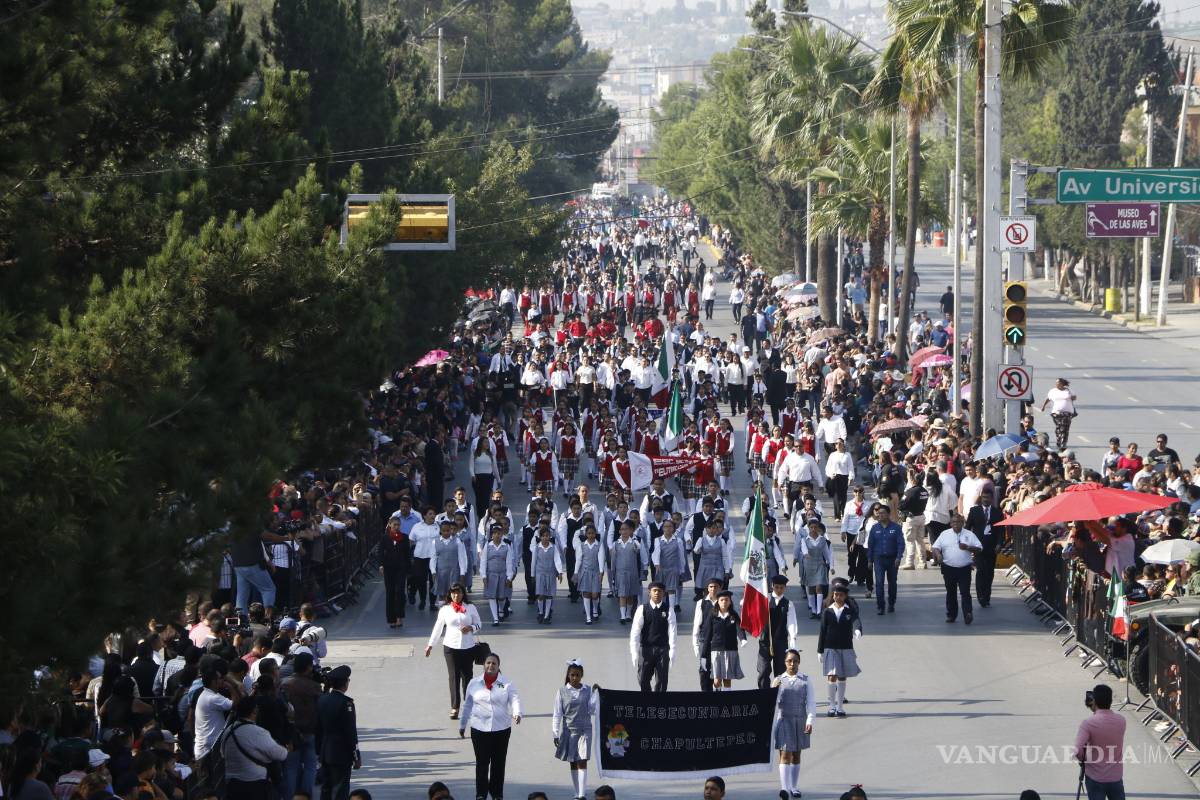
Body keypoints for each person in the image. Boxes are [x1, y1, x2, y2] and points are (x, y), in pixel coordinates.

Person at [460, 653, 522, 800]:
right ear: (484, 665)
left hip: (501, 730)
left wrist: (517, 713)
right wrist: (462, 724)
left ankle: (496, 793)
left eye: (494, 663)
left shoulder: (506, 683)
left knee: (498, 764)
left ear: (498, 666)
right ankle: (481, 794)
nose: (491, 666)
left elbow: (515, 699)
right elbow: (467, 705)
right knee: (482, 763)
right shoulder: (474, 683)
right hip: (479, 729)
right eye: (488, 663)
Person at [425, 583, 482, 718]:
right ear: (450, 595)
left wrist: (471, 628)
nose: (456, 595)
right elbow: (438, 628)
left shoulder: (470, 607)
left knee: (467, 677)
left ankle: (468, 705)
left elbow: (479, 624)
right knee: (454, 677)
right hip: (451, 647)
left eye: (459, 593)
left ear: (463, 594)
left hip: (468, 647)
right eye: (453, 593)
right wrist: (430, 645)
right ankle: (455, 707)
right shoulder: (445, 609)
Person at [220, 695, 289, 800]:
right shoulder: (258, 732)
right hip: (255, 785)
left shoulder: (228, 731)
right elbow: (281, 754)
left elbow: (223, 753)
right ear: (254, 711)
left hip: (232, 784)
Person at [552, 660, 600, 800]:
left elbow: (591, 709)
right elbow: (557, 713)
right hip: (569, 730)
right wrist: (555, 733)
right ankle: (576, 791)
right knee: (572, 761)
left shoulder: (587, 690)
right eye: (572, 675)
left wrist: (595, 694)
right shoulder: (561, 691)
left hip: (585, 730)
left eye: (577, 675)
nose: (574, 678)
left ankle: (582, 794)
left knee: (582, 760)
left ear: (582, 675)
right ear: (568, 675)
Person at [772, 649, 815, 800]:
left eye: (795, 661)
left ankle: (793, 787)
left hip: (800, 720)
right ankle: (784, 788)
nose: (792, 664)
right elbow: (773, 704)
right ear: (785, 662)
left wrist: (809, 721)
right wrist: (773, 689)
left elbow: (810, 702)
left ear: (799, 662)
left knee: (796, 754)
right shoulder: (778, 680)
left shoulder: (805, 679)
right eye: (789, 661)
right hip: (783, 720)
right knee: (785, 754)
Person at [816, 581, 862, 717]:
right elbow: (822, 631)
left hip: (846, 647)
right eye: (835, 594)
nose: (837, 597)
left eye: (840, 595)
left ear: (845, 596)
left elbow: (856, 621)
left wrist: (858, 630)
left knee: (842, 676)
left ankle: (840, 707)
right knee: (831, 675)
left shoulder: (849, 611)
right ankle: (831, 706)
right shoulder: (827, 611)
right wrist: (820, 650)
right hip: (830, 647)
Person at [1074, 684, 1126, 800]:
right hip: (1115, 777)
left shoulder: (1088, 723)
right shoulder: (1121, 721)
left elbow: (1077, 750)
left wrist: (1083, 759)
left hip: (1095, 777)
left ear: (1094, 701)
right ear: (1111, 701)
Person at [316, 666, 360, 800]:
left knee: (326, 789)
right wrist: (356, 756)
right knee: (340, 790)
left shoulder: (322, 700)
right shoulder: (346, 704)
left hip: (325, 752)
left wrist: (319, 751)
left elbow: (318, 728)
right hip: (341, 754)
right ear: (345, 683)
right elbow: (351, 733)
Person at [281, 653, 321, 800]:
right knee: (310, 766)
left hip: (291, 732)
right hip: (310, 731)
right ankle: (306, 796)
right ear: (309, 667)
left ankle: (291, 797)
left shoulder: (284, 684)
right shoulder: (314, 687)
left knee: (291, 767)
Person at [931, 513, 982, 625]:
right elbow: (935, 547)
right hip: (948, 568)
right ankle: (951, 615)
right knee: (951, 592)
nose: (955, 524)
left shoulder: (969, 534)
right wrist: (938, 555)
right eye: (953, 522)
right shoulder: (944, 534)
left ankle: (968, 613)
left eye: (958, 522)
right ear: (950, 523)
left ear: (962, 523)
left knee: (965, 592)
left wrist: (968, 547)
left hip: (964, 568)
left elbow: (979, 548)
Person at [630, 582, 676, 692]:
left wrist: (673, 650)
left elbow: (673, 631)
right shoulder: (642, 609)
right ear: (649, 593)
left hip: (663, 649)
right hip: (646, 648)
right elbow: (635, 631)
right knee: (642, 679)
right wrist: (634, 651)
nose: (657, 593)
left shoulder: (669, 609)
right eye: (654, 590)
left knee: (662, 680)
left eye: (659, 591)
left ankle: (658, 704)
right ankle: (648, 701)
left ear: (664, 594)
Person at [698, 590, 746, 690]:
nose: (724, 602)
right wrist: (703, 655)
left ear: (730, 602)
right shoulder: (713, 615)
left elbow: (739, 628)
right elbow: (707, 636)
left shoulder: (733, 615)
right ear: (718, 602)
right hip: (716, 651)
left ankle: (727, 701)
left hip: (730, 650)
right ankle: (718, 695)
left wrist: (742, 639)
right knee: (717, 680)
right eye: (722, 600)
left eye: (726, 600)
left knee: (727, 678)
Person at [965, 488, 1003, 607]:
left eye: (988, 498)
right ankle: (980, 596)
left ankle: (987, 596)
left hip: (992, 546)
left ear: (992, 499)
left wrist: (999, 544)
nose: (985, 500)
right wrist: (968, 544)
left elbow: (1001, 530)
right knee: (980, 570)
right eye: (983, 497)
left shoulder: (997, 512)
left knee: (989, 572)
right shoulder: (974, 511)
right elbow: (968, 528)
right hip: (978, 546)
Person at [758, 575, 799, 688]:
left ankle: (778, 695)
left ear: (785, 588)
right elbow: (755, 612)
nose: (779, 590)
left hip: (781, 641)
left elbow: (791, 622)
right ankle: (764, 694)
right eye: (776, 587)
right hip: (765, 641)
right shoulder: (765, 600)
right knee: (763, 670)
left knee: (781, 671)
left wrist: (792, 639)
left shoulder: (788, 604)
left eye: (781, 587)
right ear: (772, 586)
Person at [866, 504, 904, 615]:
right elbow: (870, 545)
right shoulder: (874, 528)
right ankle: (880, 606)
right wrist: (869, 560)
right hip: (878, 559)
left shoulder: (896, 528)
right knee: (879, 583)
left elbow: (901, 544)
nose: (880, 515)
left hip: (892, 560)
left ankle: (891, 603)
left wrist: (898, 557)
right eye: (879, 513)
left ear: (888, 514)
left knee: (892, 583)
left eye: (882, 513)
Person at [795, 519, 834, 619]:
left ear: (818, 528)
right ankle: (813, 609)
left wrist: (830, 565)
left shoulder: (822, 540)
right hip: (808, 565)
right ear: (808, 528)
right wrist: (806, 554)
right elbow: (803, 549)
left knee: (818, 587)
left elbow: (826, 553)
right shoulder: (805, 539)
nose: (813, 529)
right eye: (811, 527)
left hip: (820, 564)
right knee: (811, 589)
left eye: (815, 527)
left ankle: (818, 611)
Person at [380, 517, 412, 628]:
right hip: (389, 569)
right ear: (390, 525)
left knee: (399, 592)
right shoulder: (385, 538)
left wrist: (409, 569)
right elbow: (380, 552)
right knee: (390, 593)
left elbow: (407, 554)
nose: (397, 527)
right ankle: (391, 618)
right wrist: (381, 565)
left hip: (401, 568)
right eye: (395, 525)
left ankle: (399, 617)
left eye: (398, 525)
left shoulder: (404, 538)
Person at [1040, 377, 1077, 450]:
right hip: (1056, 413)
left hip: (1067, 413)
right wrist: (1043, 406)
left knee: (1065, 428)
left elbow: (1074, 397)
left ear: (1063, 384)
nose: (1057, 384)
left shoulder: (1068, 391)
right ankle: (1059, 440)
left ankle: (1064, 442)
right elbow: (1048, 399)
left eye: (1059, 383)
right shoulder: (1052, 391)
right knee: (1059, 426)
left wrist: (1072, 397)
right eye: (1056, 383)